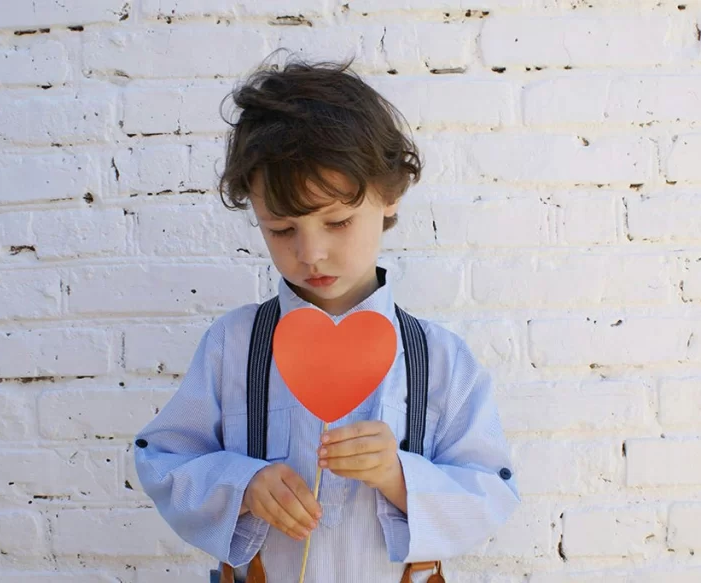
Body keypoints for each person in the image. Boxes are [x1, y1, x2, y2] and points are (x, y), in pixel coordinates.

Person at [133, 57, 519, 583]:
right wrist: (242, 484)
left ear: (389, 196)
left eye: (336, 221)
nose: (311, 253)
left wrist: (399, 476)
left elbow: (492, 488)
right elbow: (163, 459)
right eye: (281, 229)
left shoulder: (440, 357)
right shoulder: (234, 345)